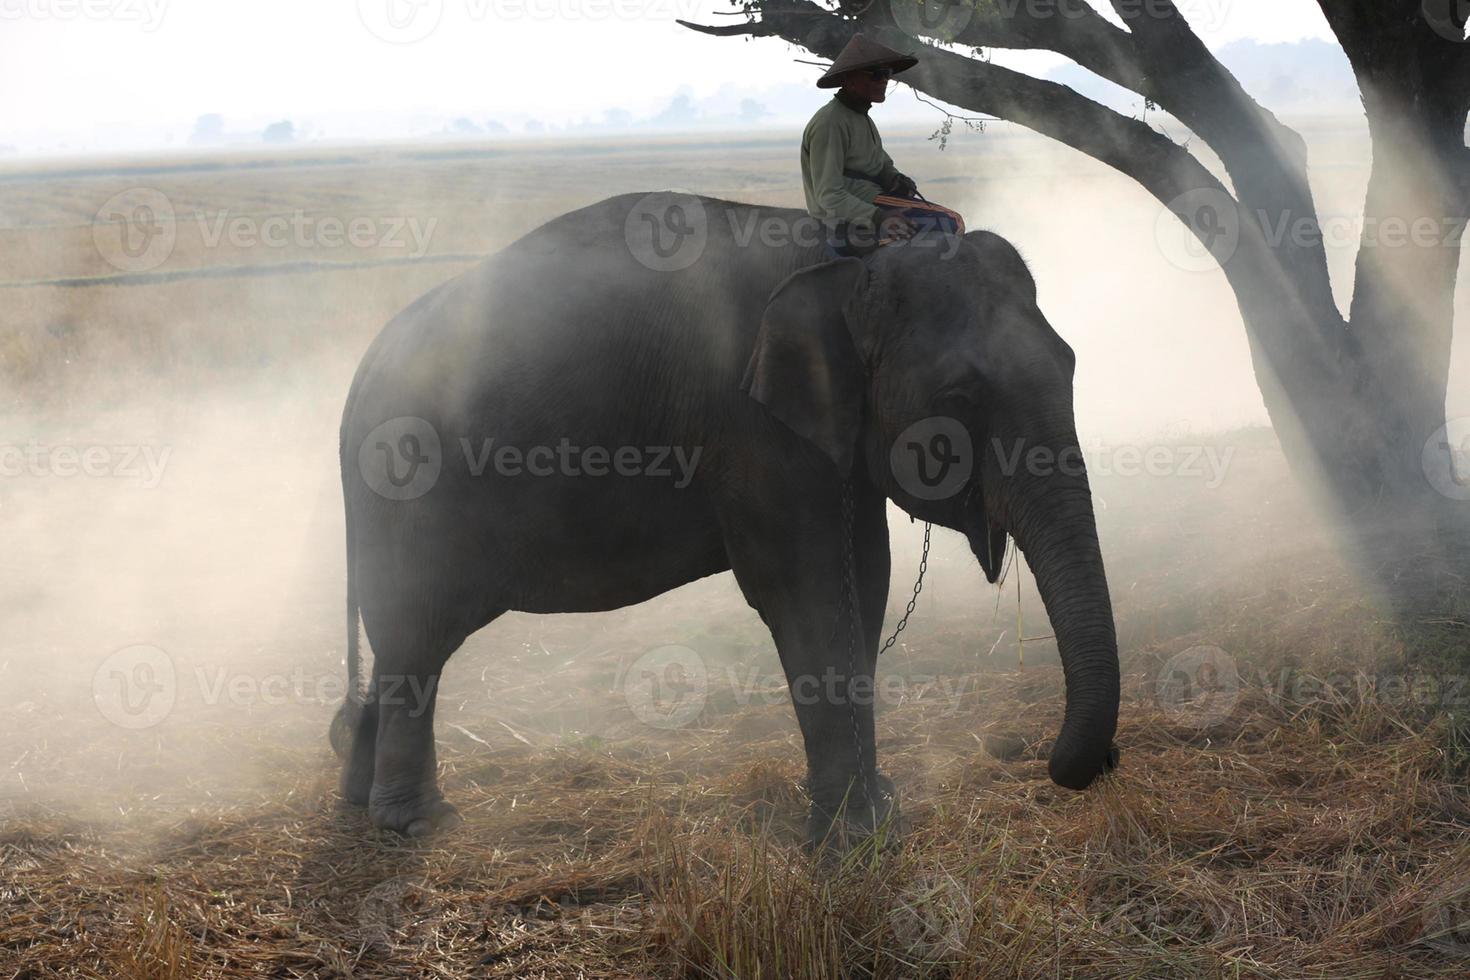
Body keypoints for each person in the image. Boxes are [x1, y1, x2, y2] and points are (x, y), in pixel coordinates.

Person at [801, 34, 965, 258]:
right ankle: (852, 246)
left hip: (871, 200)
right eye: (876, 75)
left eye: (887, 74)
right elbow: (828, 195)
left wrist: (894, 179)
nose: (884, 81)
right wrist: (879, 218)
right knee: (951, 222)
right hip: (856, 210)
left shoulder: (861, 117)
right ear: (850, 81)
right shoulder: (830, 123)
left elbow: (880, 164)